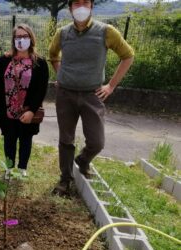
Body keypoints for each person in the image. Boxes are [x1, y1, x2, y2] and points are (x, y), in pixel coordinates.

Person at [49, 0, 134, 196]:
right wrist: (60, 74)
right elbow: (53, 55)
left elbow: (127, 55)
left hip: (92, 95)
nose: (81, 7)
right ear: (70, 8)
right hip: (65, 95)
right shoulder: (63, 33)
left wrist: (111, 85)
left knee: (97, 142)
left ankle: (84, 160)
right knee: (66, 139)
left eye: (85, 3)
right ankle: (65, 180)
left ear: (91, 6)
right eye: (76, 3)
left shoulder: (106, 31)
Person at [0, 24, 49, 178]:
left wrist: (32, 110)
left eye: (24, 36)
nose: (21, 40)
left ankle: (22, 168)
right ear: (13, 40)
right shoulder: (4, 60)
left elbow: (41, 90)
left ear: (31, 38)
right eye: (18, 37)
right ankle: (9, 169)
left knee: (25, 138)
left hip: (27, 109)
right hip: (7, 109)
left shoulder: (40, 63)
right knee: (9, 139)